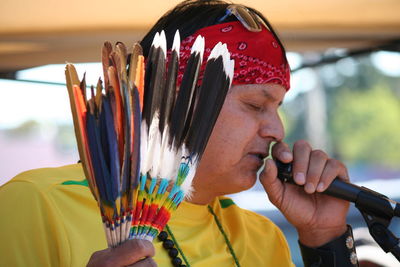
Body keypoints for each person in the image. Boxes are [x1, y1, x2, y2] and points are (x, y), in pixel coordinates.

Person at [0, 1, 359, 266]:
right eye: (255, 105)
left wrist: (323, 236)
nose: (276, 130)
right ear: (176, 100)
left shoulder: (262, 238)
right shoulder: (35, 204)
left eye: (278, 108)